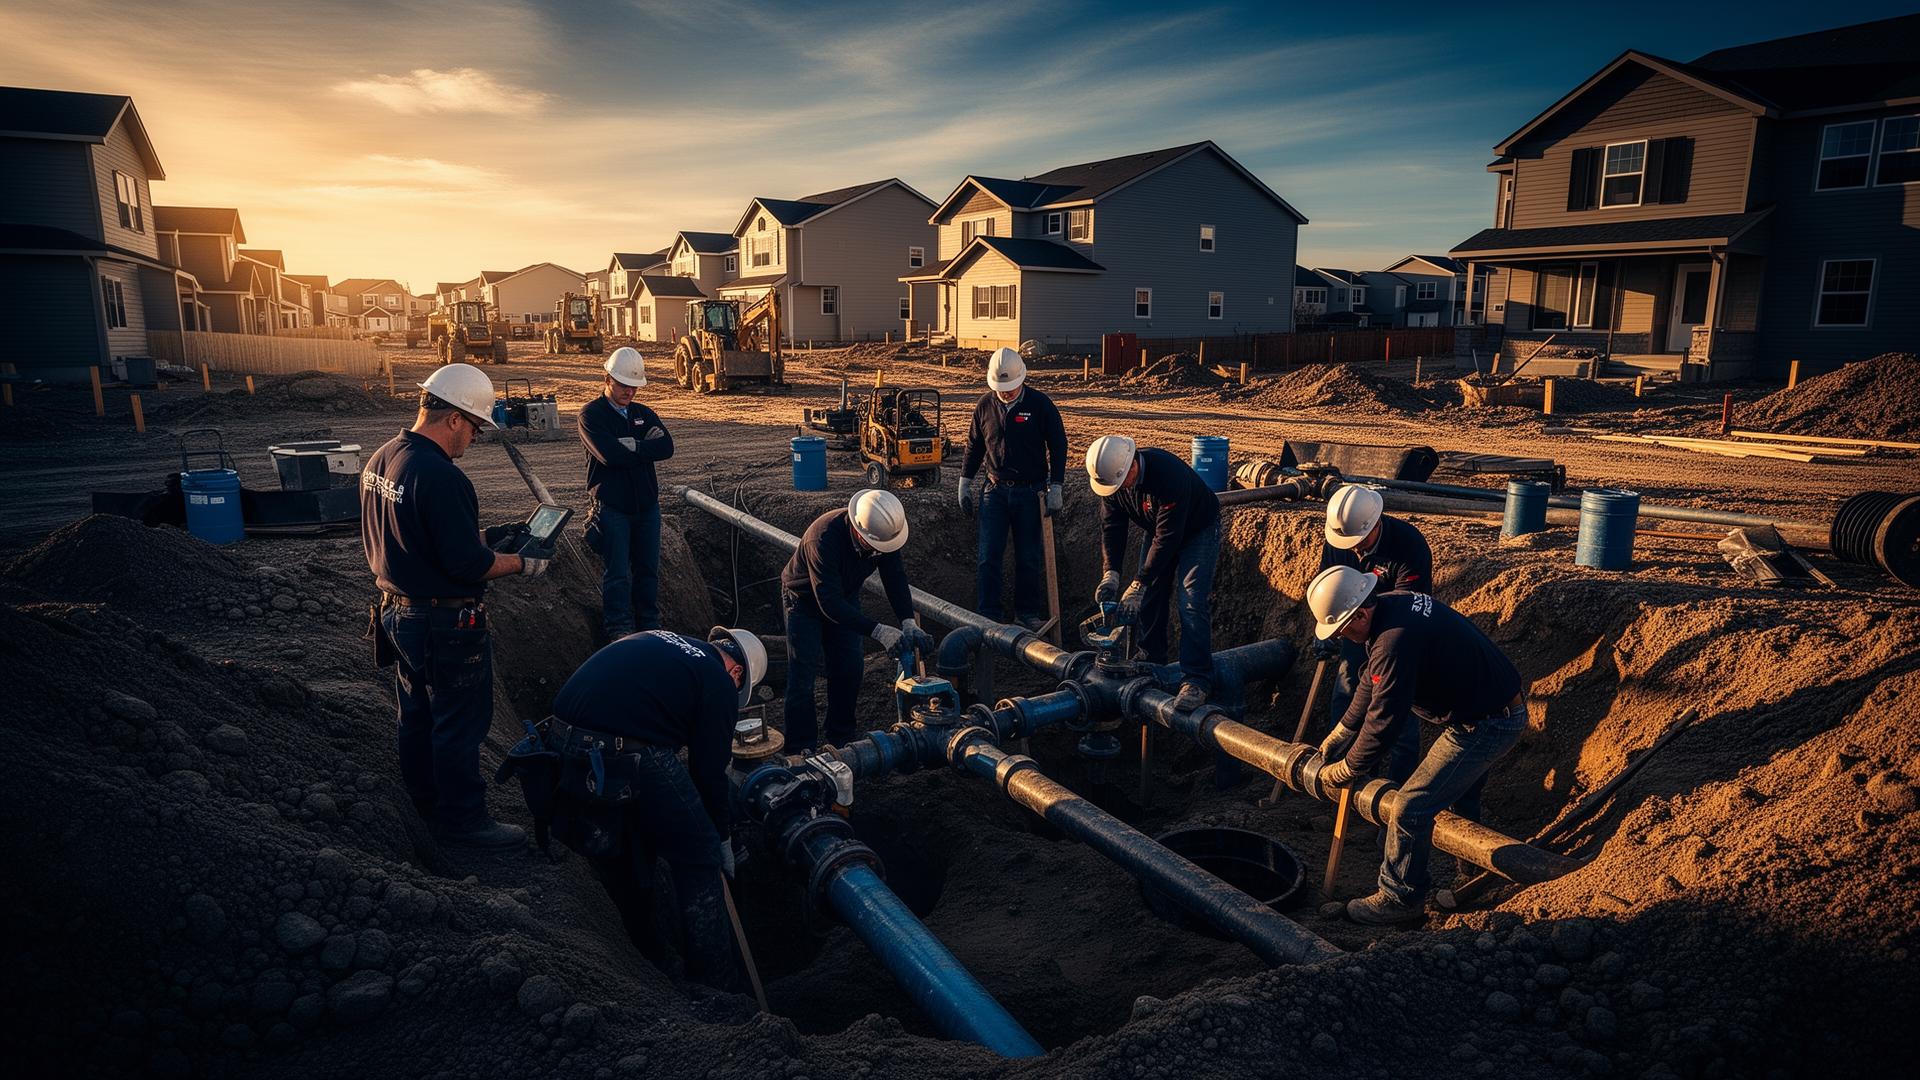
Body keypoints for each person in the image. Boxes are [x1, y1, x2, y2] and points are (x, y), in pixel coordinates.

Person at [507, 627, 765, 989]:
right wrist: (720, 838)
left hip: (560, 734)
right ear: (738, 673)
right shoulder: (719, 682)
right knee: (698, 852)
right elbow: (708, 774)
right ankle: (716, 983)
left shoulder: (665, 640)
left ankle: (649, 948)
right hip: (621, 747)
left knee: (632, 843)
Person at [361, 363, 549, 848]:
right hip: (444, 621)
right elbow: (466, 565)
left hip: (396, 612)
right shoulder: (442, 477)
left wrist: (490, 536)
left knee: (416, 713)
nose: (474, 439)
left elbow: (421, 538)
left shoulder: (383, 459)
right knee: (458, 723)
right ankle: (465, 821)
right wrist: (519, 564)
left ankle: (423, 803)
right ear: (454, 419)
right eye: (475, 429)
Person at [1306, 565, 1527, 926]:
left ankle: (1399, 897)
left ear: (1360, 612)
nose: (1343, 636)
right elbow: (1371, 679)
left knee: (1410, 808)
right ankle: (1471, 875)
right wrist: (1344, 730)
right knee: (1461, 793)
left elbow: (1385, 718)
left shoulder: (1395, 639)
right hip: (1489, 708)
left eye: (1344, 627)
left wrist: (1350, 768)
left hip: (1487, 724)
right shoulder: (1391, 606)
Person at [779, 489, 933, 751]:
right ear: (859, 532)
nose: (879, 552)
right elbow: (828, 603)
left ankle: (841, 738)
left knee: (849, 668)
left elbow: (894, 578)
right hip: (804, 601)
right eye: (874, 547)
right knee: (802, 677)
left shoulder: (884, 533)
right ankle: (800, 748)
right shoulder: (824, 538)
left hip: (844, 597)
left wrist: (908, 620)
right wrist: (879, 631)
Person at [1085, 435, 1221, 710]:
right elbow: (1112, 528)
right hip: (1159, 530)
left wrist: (1138, 582)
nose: (1117, 489)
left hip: (1197, 530)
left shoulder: (1167, 475)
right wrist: (1110, 572)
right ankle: (1150, 657)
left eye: (1120, 483)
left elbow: (1168, 538)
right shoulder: (1112, 482)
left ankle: (1196, 679)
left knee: (1191, 600)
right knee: (1150, 596)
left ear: (1131, 465)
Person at [1315, 484, 1435, 784]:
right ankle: (1344, 787)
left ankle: (1395, 792)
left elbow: (1408, 609)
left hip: (1399, 637)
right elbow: (1327, 583)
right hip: (1356, 630)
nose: (1354, 548)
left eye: (1360, 541)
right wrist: (1326, 630)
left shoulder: (1408, 545)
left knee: (1399, 715)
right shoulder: (1340, 539)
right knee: (1346, 697)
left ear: (1376, 522)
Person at [958, 346, 1067, 630]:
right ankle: (988, 614)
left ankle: (1026, 613)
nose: (1005, 393)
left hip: (1031, 492)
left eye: (1010, 388)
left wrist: (1056, 485)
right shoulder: (984, 406)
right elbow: (974, 445)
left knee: (1028, 556)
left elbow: (1058, 444)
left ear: (1021, 380)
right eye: (1001, 389)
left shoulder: (1040, 405)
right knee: (988, 555)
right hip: (994, 491)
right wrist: (964, 482)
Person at [580, 347, 674, 641]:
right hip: (613, 508)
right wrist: (643, 447)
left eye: (634, 386)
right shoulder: (591, 415)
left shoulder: (643, 413)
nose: (629, 391)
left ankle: (649, 623)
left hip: (647, 507)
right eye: (623, 385)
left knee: (648, 569)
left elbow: (666, 448)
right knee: (617, 572)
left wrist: (631, 445)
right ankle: (619, 628)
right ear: (607, 379)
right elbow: (610, 456)